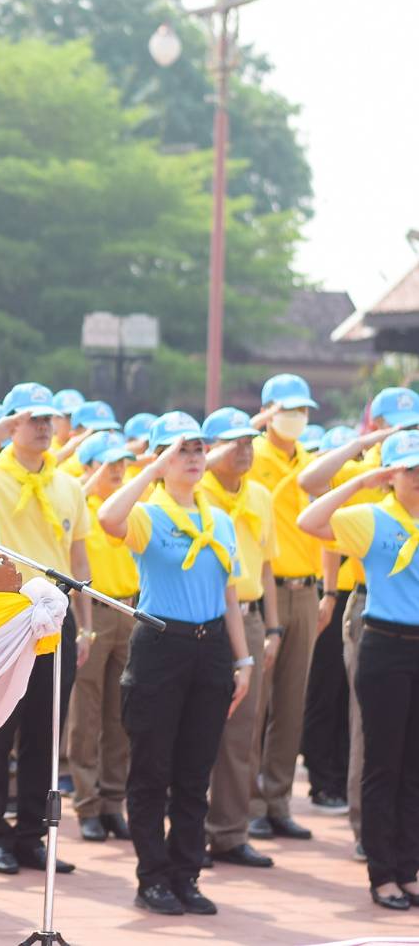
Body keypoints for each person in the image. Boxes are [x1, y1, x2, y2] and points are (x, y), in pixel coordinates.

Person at [98, 411, 251, 917]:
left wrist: (243, 658)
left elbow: (229, 594)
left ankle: (187, 874)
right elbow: (109, 519)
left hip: (210, 650)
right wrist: (149, 468)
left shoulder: (220, 520)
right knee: (151, 769)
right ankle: (153, 877)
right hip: (160, 644)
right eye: (180, 450)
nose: (192, 459)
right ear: (162, 459)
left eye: (198, 450)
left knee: (194, 770)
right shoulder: (150, 513)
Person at [0, 382, 91, 877]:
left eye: (49, 419)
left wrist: (88, 626)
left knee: (46, 732)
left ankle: (32, 835)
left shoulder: (69, 484)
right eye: (32, 419)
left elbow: (78, 556)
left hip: (57, 619)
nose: (43, 427)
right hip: (5, 618)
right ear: (13, 424)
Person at [300, 428, 419, 910]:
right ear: (393, 476)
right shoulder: (373, 518)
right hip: (385, 646)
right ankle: (382, 873)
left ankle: (408, 868)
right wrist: (363, 480)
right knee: (383, 764)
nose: (418, 479)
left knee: (415, 767)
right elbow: (311, 519)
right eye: (411, 470)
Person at [195, 408, 281, 870]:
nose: (246, 450)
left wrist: (273, 627)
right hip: (200, 617)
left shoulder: (260, 496)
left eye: (250, 441)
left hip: (246, 617)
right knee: (194, 727)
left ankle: (229, 832)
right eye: (235, 443)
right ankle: (188, 831)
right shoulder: (189, 490)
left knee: (242, 733)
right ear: (209, 449)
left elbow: (266, 565)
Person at [243, 373, 321, 842]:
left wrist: (329, 592)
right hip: (266, 591)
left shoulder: (314, 462)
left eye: (304, 410)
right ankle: (249, 802)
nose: (297, 418)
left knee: (292, 704)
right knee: (257, 705)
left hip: (307, 592)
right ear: (267, 411)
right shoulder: (250, 456)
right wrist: (256, 425)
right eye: (287, 409)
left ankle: (278, 801)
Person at [65, 430, 138, 844]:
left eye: (122, 463)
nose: (118, 471)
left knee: (121, 714)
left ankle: (114, 802)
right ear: (90, 467)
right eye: (109, 463)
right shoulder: (81, 506)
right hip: (94, 612)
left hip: (127, 611)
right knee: (86, 715)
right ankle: (88, 805)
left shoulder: (126, 509)